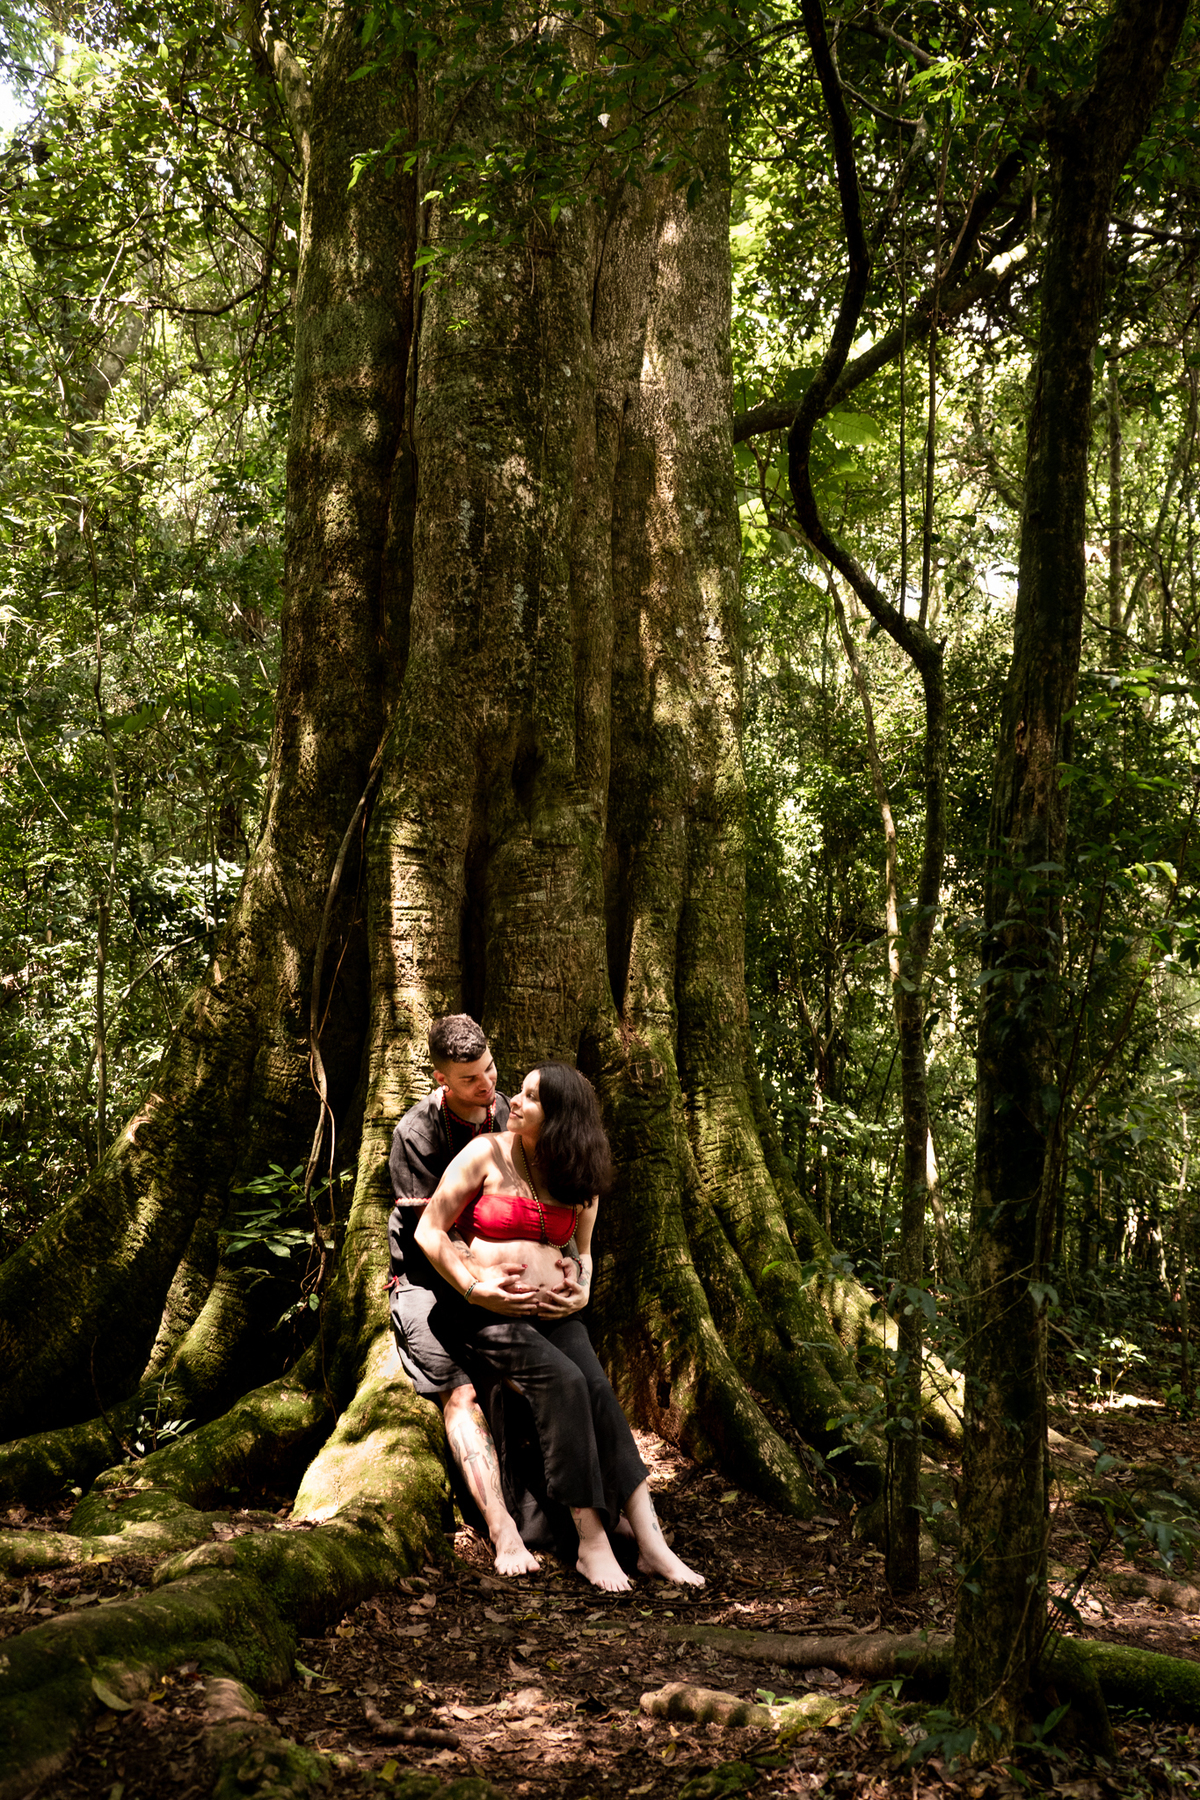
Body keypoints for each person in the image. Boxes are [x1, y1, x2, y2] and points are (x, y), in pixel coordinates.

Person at [415, 1061, 704, 1593]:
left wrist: (583, 1288)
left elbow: (583, 1253)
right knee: (565, 1381)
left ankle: (653, 1544)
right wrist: (476, 1289)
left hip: (554, 1314)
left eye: (530, 1097)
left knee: (597, 1387)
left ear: (561, 1118)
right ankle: (591, 1542)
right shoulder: (486, 1153)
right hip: (486, 1315)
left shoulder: (578, 1174)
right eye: (520, 1091)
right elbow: (429, 1231)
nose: (514, 1101)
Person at [387, 1014, 546, 1576]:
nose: (487, 1086)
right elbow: (434, 1236)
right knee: (462, 1395)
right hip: (427, 1282)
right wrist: (480, 1284)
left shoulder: (507, 1112)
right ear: (441, 1079)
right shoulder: (416, 1133)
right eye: (470, 1079)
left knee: (534, 1378)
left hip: (494, 1277)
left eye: (490, 1070)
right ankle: (502, 1532)